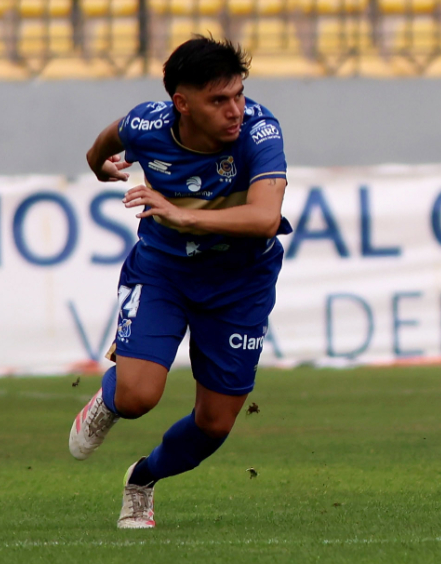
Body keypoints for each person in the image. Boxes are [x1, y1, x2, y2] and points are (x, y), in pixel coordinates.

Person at [68, 36, 292, 529]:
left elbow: (263, 218)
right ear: (182, 103)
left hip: (240, 283)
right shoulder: (146, 123)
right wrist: (99, 167)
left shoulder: (260, 130)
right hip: (163, 271)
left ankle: (143, 478)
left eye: (238, 94)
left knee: (214, 425)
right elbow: (102, 145)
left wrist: (182, 216)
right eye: (219, 101)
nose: (235, 110)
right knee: (137, 396)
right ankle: (109, 399)